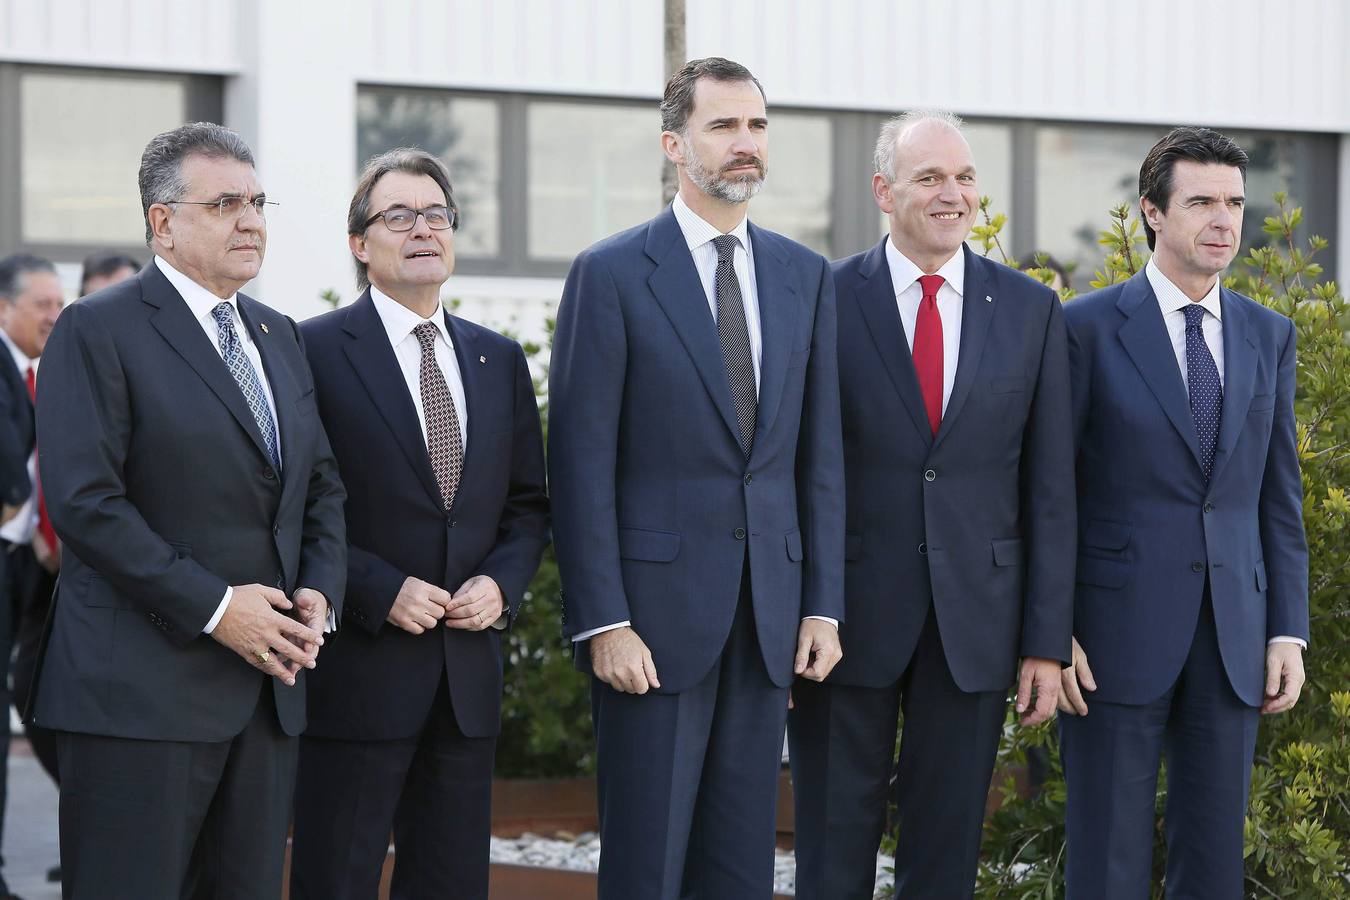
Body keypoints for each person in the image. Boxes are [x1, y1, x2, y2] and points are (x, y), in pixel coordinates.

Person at [548, 56, 844, 900]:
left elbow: (816, 458)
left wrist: (820, 603)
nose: (744, 143)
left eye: (756, 126)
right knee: (646, 864)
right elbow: (579, 465)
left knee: (741, 866)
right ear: (675, 143)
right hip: (650, 628)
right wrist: (603, 620)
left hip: (768, 622)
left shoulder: (804, 274)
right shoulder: (609, 274)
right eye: (723, 126)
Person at [28, 121, 347, 899]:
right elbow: (86, 504)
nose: (252, 220)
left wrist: (319, 591)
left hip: (268, 700)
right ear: (162, 224)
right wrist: (217, 609)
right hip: (140, 701)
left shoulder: (278, 335)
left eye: (259, 202)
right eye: (226, 203)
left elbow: (322, 487)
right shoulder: (96, 329)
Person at [788, 110, 1075, 899]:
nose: (953, 194)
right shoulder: (824, 297)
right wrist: (801, 604)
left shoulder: (1029, 310)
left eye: (965, 177)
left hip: (975, 622)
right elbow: (799, 465)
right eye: (930, 178)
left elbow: (1049, 488)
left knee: (945, 853)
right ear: (884, 190)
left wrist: (1046, 641)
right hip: (844, 617)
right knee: (832, 844)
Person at [289, 148, 548, 900]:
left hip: (465, 683)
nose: (423, 229)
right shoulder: (310, 351)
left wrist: (501, 585)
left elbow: (529, 505)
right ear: (359, 243)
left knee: (450, 884)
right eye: (398, 216)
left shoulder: (497, 360)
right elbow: (294, 505)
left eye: (437, 214)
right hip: (357, 678)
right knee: (335, 879)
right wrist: (375, 588)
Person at [1059, 126, 1308, 898]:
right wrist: (1050, 630)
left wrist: (1287, 629)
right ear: (1152, 213)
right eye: (1201, 201)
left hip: (1234, 635)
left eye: (1234, 201)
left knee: (1212, 867)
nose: (1224, 219)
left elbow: (1279, 495)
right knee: (1108, 862)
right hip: (1109, 640)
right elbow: (1049, 491)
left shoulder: (1270, 336)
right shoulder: (1084, 327)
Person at [0, 253, 62, 900]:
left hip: (30, 568)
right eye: (41, 304)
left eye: (58, 303)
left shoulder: (34, 373)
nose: (54, 315)